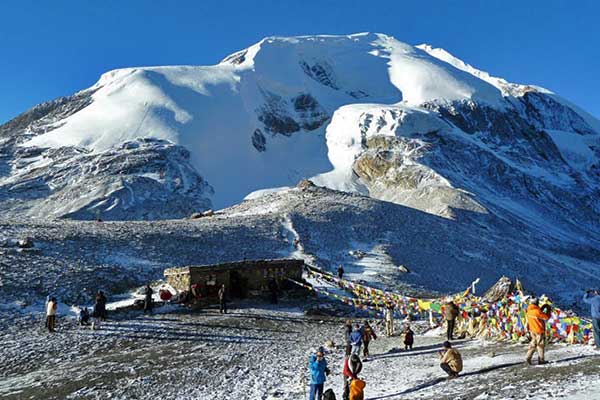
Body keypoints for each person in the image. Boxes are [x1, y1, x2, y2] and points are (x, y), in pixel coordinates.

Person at [525, 297, 551, 365]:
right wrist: (548, 309)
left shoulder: (529, 310)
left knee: (533, 344)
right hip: (539, 330)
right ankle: (541, 360)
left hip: (532, 330)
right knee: (540, 345)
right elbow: (546, 317)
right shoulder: (537, 311)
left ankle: (528, 357)